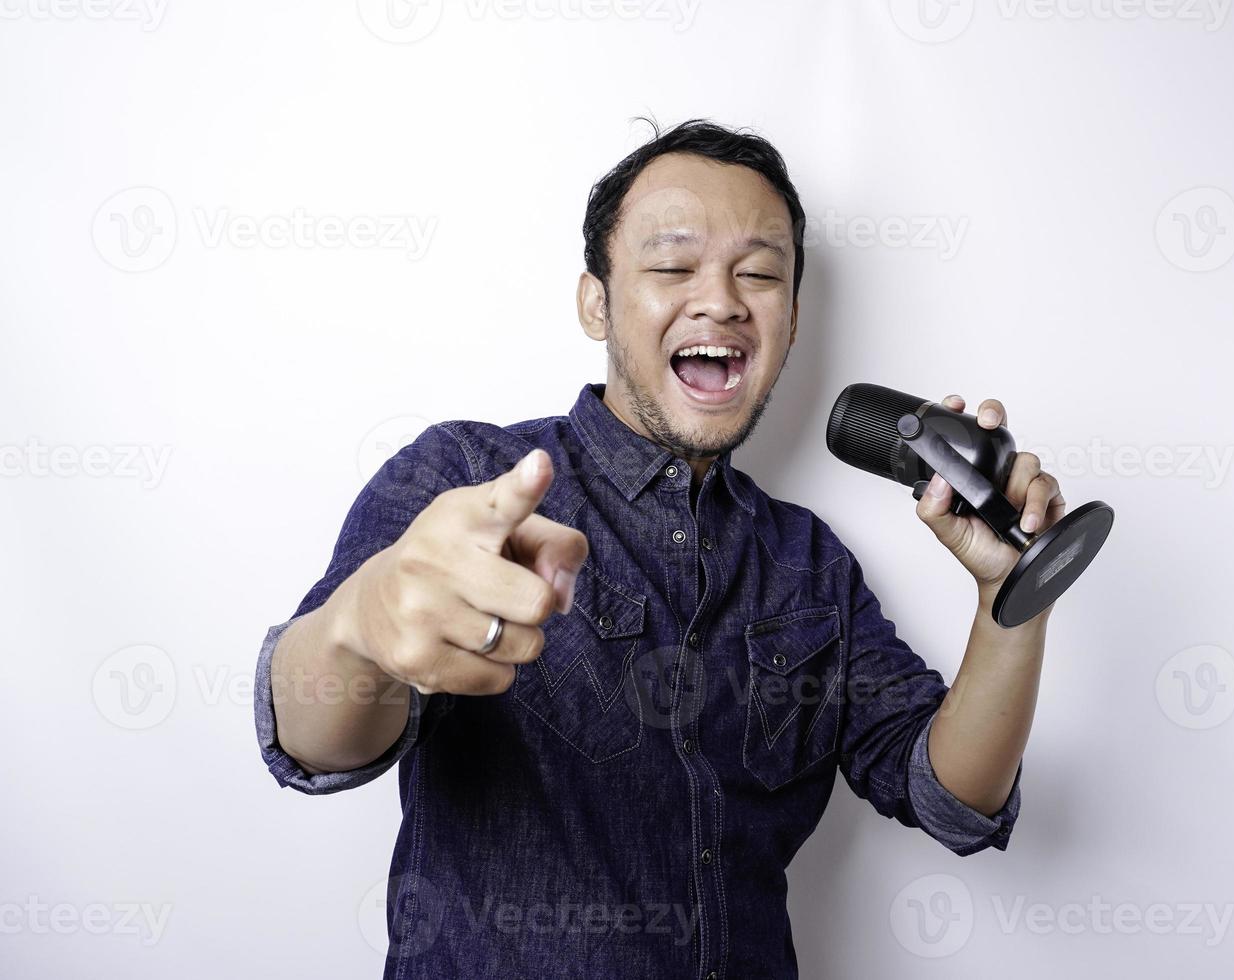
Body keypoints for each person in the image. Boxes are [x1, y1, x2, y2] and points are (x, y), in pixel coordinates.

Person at [253, 118, 1065, 979]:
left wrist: (1010, 598)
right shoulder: (466, 478)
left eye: (759, 274)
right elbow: (314, 742)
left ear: (791, 322)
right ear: (596, 301)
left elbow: (953, 798)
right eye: (674, 266)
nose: (721, 299)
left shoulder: (813, 566)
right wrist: (358, 629)